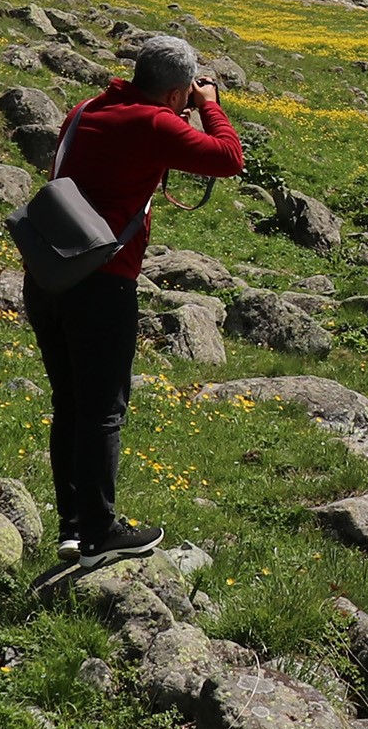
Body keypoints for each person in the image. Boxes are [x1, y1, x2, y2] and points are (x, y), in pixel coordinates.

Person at [29, 32, 243, 563]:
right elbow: (228, 157)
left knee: (69, 405)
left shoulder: (86, 110)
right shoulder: (154, 123)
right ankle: (99, 536)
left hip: (49, 275)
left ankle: (74, 528)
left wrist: (178, 111)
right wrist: (210, 106)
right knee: (103, 410)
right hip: (102, 282)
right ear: (175, 92)